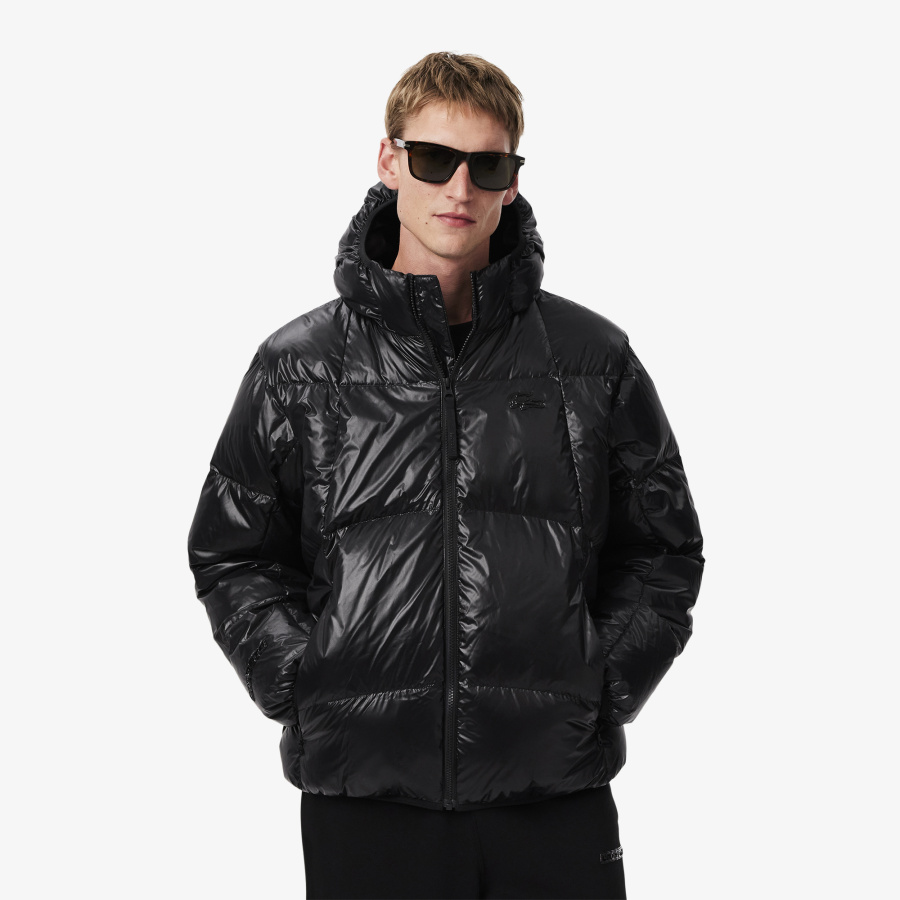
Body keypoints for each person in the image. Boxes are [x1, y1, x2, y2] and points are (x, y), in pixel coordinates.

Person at [187, 51, 705, 900]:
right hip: (366, 795)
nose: (459, 188)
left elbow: (664, 550)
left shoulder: (592, 360)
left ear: (512, 182)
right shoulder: (298, 366)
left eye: (486, 165)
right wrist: (304, 680)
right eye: (434, 159)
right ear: (389, 161)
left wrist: (598, 685)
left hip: (553, 790)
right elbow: (232, 553)